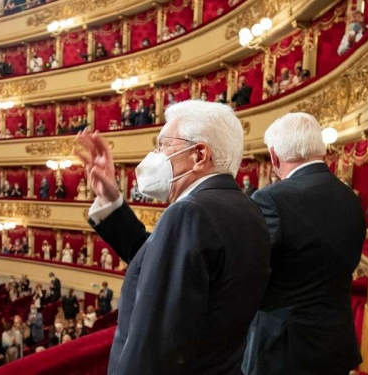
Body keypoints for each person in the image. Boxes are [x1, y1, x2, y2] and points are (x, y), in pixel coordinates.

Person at [75, 100, 271, 374]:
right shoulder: (248, 210)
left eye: (163, 145)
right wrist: (112, 200)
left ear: (199, 154)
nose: (155, 155)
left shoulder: (190, 212)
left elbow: (153, 345)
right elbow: (164, 265)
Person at [242, 113, 366, 375]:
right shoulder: (350, 198)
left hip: (282, 351)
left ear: (274, 157)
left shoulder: (271, 199)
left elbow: (247, 269)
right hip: (336, 344)